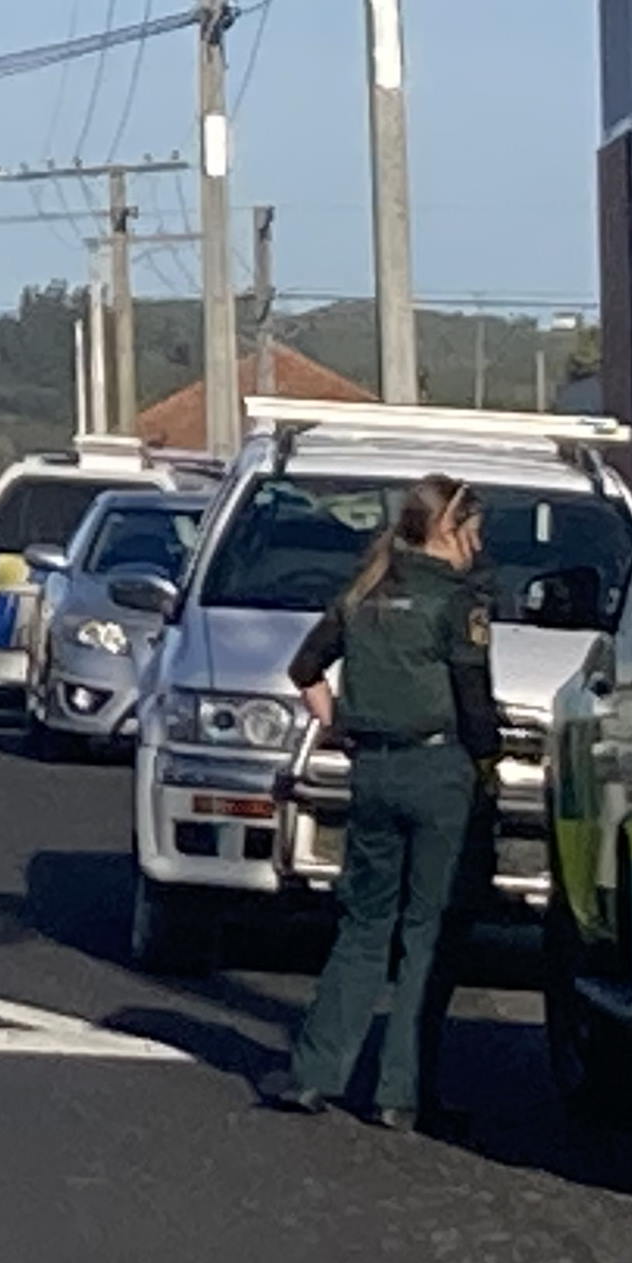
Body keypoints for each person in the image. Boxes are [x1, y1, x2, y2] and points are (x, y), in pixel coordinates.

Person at [260, 474, 497, 1129]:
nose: (477, 548)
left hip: (374, 771)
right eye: (473, 533)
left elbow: (304, 669)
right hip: (440, 769)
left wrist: (338, 725)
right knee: (428, 930)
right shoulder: (458, 600)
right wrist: (489, 765)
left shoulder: (364, 591)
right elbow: (474, 702)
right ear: (451, 531)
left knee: (363, 924)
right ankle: (401, 1091)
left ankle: (314, 1073)